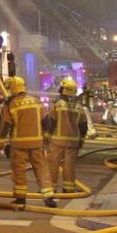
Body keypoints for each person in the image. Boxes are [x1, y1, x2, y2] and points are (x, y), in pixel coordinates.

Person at [0, 75, 53, 208]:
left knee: (19, 171)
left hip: (19, 145)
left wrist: (0, 143)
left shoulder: (11, 104)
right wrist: (45, 136)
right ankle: (48, 197)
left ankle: (20, 199)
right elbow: (46, 121)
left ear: (12, 89)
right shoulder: (36, 101)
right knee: (41, 169)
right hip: (37, 144)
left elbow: (5, 125)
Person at [43, 77, 89, 207]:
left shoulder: (58, 105)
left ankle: (51, 189)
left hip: (57, 141)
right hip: (73, 143)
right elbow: (83, 126)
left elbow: (51, 121)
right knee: (69, 167)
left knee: (52, 165)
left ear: (63, 90)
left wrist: (47, 135)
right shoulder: (79, 107)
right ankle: (68, 190)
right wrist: (81, 140)